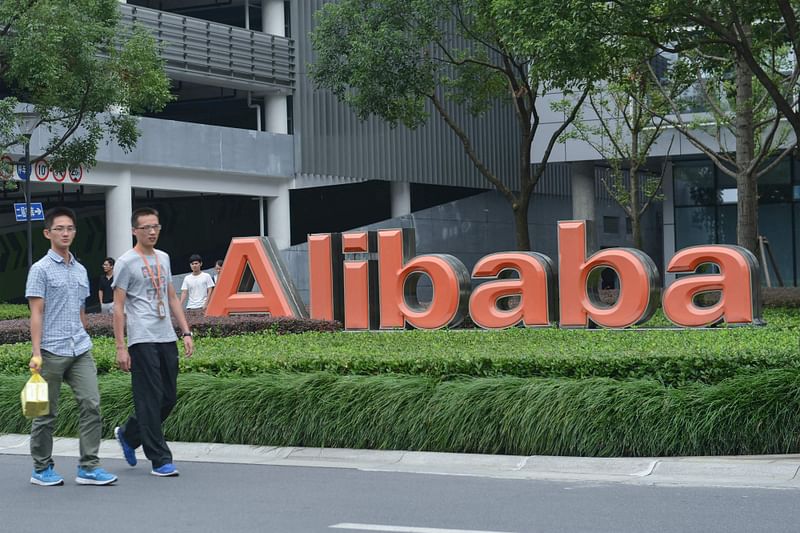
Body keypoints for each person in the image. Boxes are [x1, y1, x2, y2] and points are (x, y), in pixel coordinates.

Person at [25, 207, 118, 486]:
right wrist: (36, 352)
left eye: (70, 229)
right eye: (59, 229)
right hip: (51, 351)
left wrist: (84, 333)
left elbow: (80, 309)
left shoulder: (80, 269)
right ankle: (41, 469)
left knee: (91, 404)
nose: (65, 233)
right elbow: (36, 313)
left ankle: (89, 466)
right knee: (44, 413)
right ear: (47, 233)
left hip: (79, 349)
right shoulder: (39, 270)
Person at [112, 207, 194, 477]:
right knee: (149, 399)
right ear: (134, 231)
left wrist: (185, 332)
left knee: (168, 397)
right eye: (146, 227)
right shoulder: (125, 262)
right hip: (142, 337)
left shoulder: (164, 258)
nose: (152, 231)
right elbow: (119, 306)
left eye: (156, 226)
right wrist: (121, 347)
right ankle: (160, 459)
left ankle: (128, 434)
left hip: (165, 335)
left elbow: (171, 297)